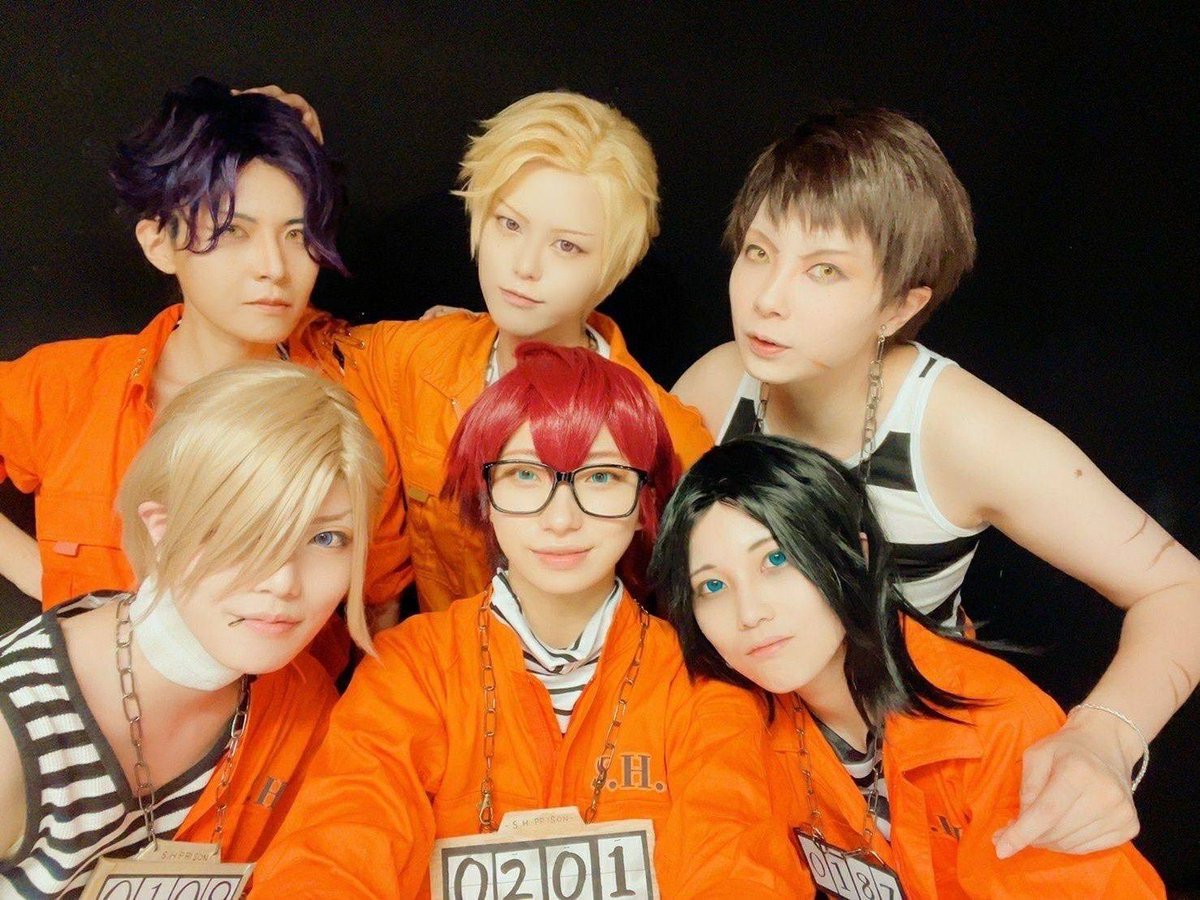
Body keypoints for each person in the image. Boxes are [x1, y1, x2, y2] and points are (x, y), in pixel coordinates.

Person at [671, 108, 1200, 857]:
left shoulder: (956, 431)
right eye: (759, 252)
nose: (767, 298)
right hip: (758, 760)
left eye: (824, 269)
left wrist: (1105, 738)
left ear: (901, 304)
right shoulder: (716, 388)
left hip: (924, 778)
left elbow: (1181, 589)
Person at [251, 346, 797, 898]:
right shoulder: (412, 668)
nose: (561, 518)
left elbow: (738, 862)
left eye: (602, 477)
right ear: (484, 496)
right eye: (525, 474)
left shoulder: (700, 677)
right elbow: (335, 849)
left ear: (644, 503)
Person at [652, 435, 1164, 897]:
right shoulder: (734, 710)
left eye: (776, 560)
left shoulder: (994, 726)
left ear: (855, 553)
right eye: (712, 586)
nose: (749, 613)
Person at [0, 361, 384, 898]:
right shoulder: (15, 733)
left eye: (326, 539)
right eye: (245, 529)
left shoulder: (301, 700)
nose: (282, 581)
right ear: (161, 529)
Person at [339, 90, 712, 614]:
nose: (525, 266)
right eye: (509, 224)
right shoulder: (411, 359)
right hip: (436, 659)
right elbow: (298, 351)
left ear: (612, 267)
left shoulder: (670, 436)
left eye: (567, 245)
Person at [0, 77, 350, 615]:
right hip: (98, 668)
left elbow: (379, 603)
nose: (274, 269)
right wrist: (41, 575)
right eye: (233, 231)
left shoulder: (356, 391)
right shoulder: (66, 385)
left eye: (297, 235)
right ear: (159, 244)